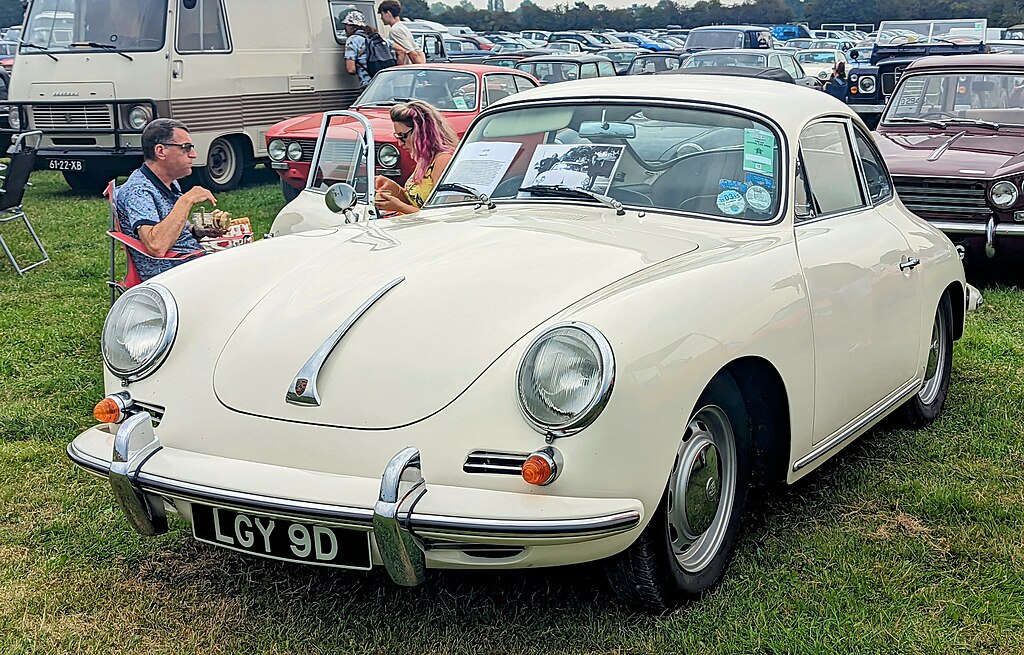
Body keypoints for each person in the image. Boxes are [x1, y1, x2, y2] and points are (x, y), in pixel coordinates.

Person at [115, 118, 223, 281]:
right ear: (161, 151)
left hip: (189, 264)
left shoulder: (169, 183)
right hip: (171, 276)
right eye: (186, 148)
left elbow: (173, 231)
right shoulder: (140, 191)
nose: (193, 154)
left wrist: (198, 231)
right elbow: (156, 245)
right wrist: (187, 200)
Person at [374, 100, 458, 215]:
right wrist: (394, 188)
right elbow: (414, 202)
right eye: (397, 136)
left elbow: (440, 215)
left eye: (403, 136)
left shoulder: (443, 161)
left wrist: (399, 207)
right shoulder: (425, 160)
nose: (400, 143)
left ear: (423, 132)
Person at [378, 0, 424, 65]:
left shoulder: (395, 31)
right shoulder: (403, 28)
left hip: (405, 72)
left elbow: (412, 54)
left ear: (388, 13)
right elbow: (419, 52)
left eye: (382, 14)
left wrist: (420, 69)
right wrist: (423, 65)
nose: (381, 18)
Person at [342, 10, 375, 89]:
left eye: (346, 25)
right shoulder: (374, 36)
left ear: (351, 26)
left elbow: (351, 69)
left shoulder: (352, 40)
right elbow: (401, 50)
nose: (345, 28)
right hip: (383, 82)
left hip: (368, 84)